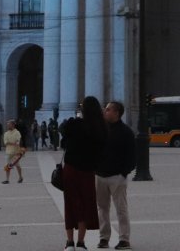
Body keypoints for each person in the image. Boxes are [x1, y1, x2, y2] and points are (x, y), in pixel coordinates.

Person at [60, 96, 107, 251]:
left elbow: (63, 143)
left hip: (71, 169)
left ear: (83, 109)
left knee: (71, 204)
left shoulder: (73, 124)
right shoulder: (100, 128)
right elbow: (102, 151)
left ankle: (69, 242)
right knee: (86, 204)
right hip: (88, 171)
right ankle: (81, 242)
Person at [94, 101, 136, 250]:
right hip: (100, 175)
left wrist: (124, 172)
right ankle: (104, 238)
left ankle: (124, 239)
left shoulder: (126, 132)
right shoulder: (100, 130)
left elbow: (132, 156)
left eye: (108, 109)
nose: (105, 112)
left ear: (117, 113)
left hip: (117, 176)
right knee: (102, 209)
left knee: (121, 209)